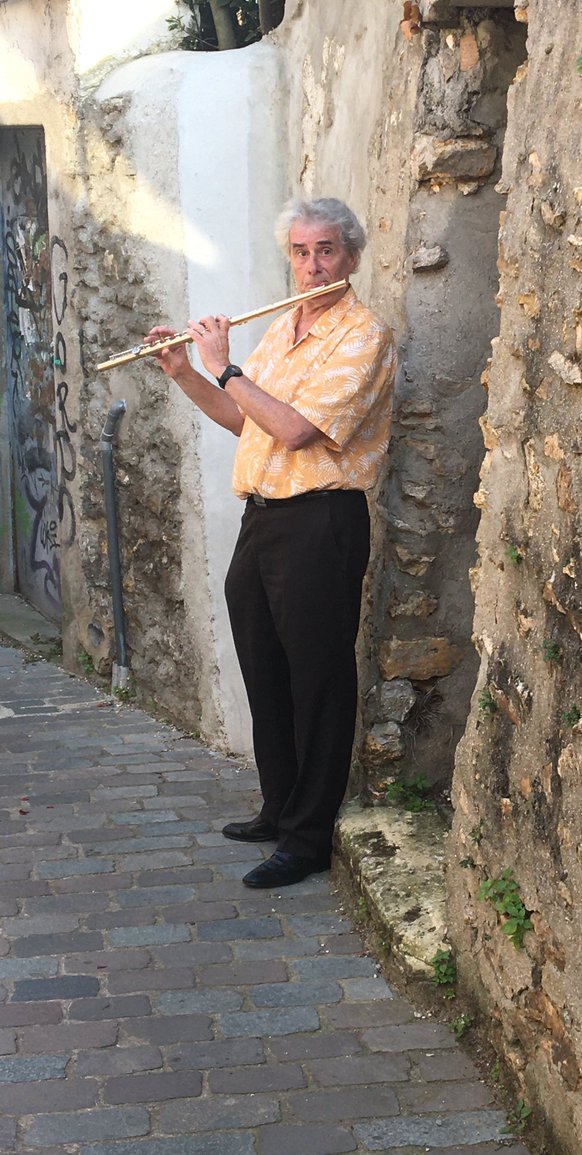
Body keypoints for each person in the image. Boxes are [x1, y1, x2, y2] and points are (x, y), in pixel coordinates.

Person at [148, 197, 396, 888]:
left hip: (320, 523)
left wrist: (226, 365)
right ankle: (279, 806)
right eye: (300, 252)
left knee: (317, 678)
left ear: (351, 256)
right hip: (263, 519)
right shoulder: (284, 327)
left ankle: (308, 837)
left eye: (326, 251)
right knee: (265, 666)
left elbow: (294, 431)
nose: (312, 265)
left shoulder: (363, 336)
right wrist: (186, 372)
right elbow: (244, 420)